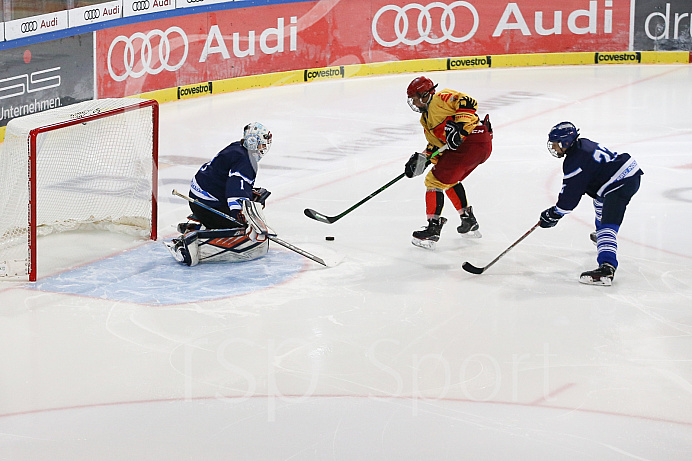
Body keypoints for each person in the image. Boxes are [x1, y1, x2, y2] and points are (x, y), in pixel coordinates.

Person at [539, 121, 643, 286]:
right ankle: (600, 234)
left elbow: (569, 199)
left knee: (608, 227)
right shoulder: (583, 144)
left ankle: (606, 268)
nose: (553, 146)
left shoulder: (574, 161)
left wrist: (554, 213)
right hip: (626, 174)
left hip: (619, 184)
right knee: (599, 200)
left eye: (555, 142)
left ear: (566, 142)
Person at [165, 122, 274, 266]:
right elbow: (235, 192)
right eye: (262, 144)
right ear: (252, 141)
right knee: (242, 226)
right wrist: (243, 217)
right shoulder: (247, 161)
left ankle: (199, 225)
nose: (264, 148)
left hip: (198, 198)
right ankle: (196, 235)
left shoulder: (237, 147)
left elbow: (225, 179)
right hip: (207, 205)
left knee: (256, 199)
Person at [404, 76, 493, 249]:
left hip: (471, 141)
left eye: (415, 98)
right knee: (448, 178)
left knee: (433, 181)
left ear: (424, 95)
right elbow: (438, 145)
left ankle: (433, 229)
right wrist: (423, 159)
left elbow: (468, 101)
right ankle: (468, 219)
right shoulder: (425, 119)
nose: (413, 103)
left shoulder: (440, 98)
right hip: (477, 145)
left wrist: (460, 126)